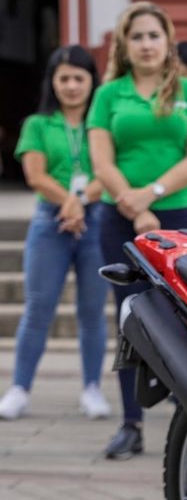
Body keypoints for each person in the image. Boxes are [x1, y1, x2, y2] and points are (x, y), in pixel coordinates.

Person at [88, 1, 187, 460]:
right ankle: (131, 423)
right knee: (127, 316)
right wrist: (133, 204)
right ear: (125, 44)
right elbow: (102, 162)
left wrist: (151, 195)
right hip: (119, 217)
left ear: (168, 42)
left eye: (154, 35)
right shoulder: (109, 95)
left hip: (182, 217)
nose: (146, 44)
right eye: (137, 36)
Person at [0, 46, 110, 422]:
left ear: (91, 81)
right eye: (64, 78)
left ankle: (92, 388)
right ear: (53, 82)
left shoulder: (102, 124)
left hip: (96, 220)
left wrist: (80, 201)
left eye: (79, 78)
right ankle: (19, 389)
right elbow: (35, 175)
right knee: (38, 308)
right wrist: (70, 202)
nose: (72, 85)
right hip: (50, 222)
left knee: (92, 312)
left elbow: (109, 170)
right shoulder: (37, 124)